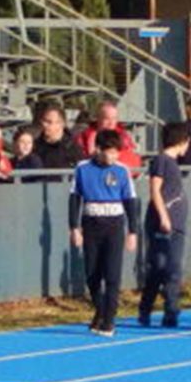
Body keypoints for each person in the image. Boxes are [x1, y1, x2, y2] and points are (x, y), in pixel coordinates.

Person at [69, 130, 139, 337]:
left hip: (114, 225)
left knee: (112, 275)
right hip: (91, 224)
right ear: (98, 149)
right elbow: (74, 199)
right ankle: (100, 310)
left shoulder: (122, 170)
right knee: (92, 274)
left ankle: (109, 320)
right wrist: (74, 227)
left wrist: (133, 231)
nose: (113, 156)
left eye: (116, 152)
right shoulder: (82, 168)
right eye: (110, 152)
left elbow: (130, 201)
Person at [138, 123, 191, 328]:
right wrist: (163, 217)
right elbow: (155, 189)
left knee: (172, 267)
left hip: (177, 224)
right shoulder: (162, 160)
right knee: (160, 267)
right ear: (182, 141)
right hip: (163, 224)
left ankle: (170, 311)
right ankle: (149, 308)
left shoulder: (173, 163)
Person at [73, 101, 142, 169]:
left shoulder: (123, 137)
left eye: (114, 118)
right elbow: (79, 161)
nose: (111, 123)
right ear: (98, 118)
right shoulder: (84, 137)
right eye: (107, 119)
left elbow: (133, 160)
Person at [33, 104, 83, 172]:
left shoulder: (72, 148)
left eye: (48, 122)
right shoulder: (34, 146)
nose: (44, 125)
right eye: (43, 121)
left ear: (61, 123)